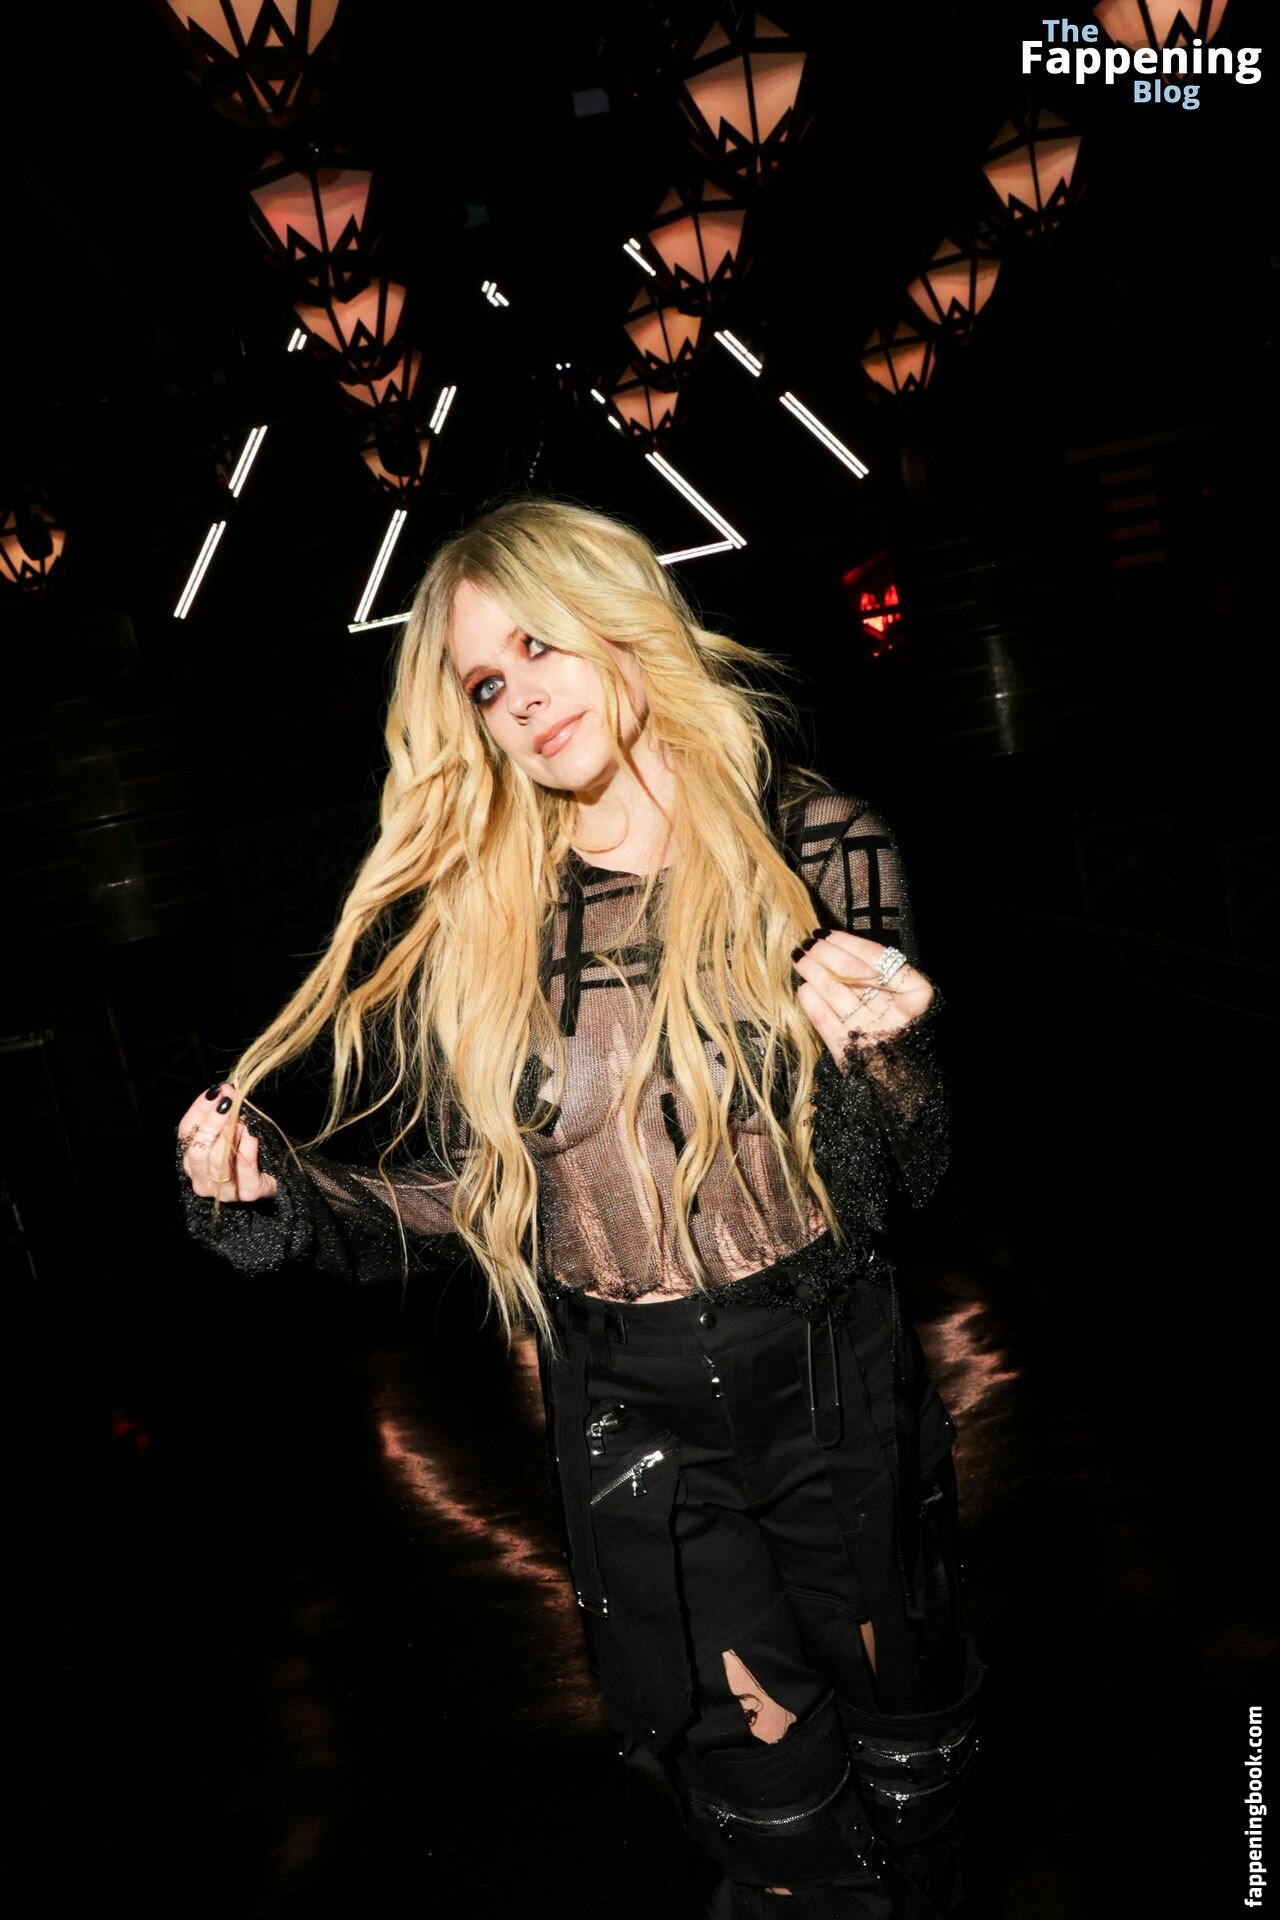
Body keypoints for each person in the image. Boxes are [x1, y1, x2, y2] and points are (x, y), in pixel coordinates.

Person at [175, 498, 983, 1919]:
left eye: (539, 645)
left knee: (908, 1756)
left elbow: (902, 1178)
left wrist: (893, 1057)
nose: (521, 699)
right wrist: (286, 1199)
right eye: (487, 683)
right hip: (633, 1418)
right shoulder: (493, 917)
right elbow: (474, 1195)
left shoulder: (818, 847)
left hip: (829, 1377)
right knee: (767, 1805)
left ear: (621, 622)